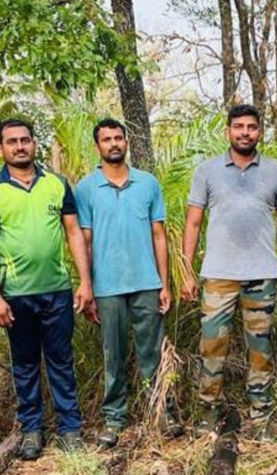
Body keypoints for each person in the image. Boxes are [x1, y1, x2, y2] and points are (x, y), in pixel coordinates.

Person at [0, 119, 94, 459]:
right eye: (11, 142)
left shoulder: (56, 185)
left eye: (25, 140)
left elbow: (73, 233)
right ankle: (31, 430)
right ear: (1, 149)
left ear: (34, 145)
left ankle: (70, 429)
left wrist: (84, 282)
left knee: (60, 361)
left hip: (57, 290)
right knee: (24, 364)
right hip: (15, 295)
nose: (19, 146)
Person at [181, 104, 277, 441]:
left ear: (259, 131)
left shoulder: (275, 172)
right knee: (212, 346)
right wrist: (186, 271)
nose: (245, 132)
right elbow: (193, 222)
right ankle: (208, 414)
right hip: (218, 275)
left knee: (260, 349)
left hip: (261, 274)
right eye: (238, 127)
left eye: (251, 127)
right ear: (228, 131)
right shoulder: (207, 171)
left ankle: (261, 416)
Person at [74, 118, 182, 449]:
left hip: (146, 283)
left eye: (118, 137)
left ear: (126, 142)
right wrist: (87, 287)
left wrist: (164, 284)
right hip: (107, 288)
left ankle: (163, 411)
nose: (113, 144)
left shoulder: (147, 183)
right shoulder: (86, 188)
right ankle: (114, 418)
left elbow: (158, 235)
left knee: (152, 352)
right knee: (114, 356)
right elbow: (85, 241)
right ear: (98, 147)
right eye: (106, 139)